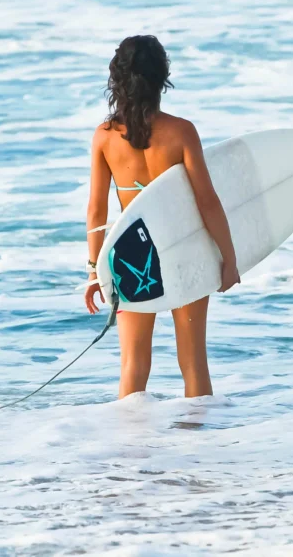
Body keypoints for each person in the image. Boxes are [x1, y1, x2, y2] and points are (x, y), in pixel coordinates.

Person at [84, 35, 240, 399]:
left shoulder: (104, 137)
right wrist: (228, 258)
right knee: (194, 363)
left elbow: (96, 210)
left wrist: (95, 271)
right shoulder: (181, 132)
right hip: (183, 248)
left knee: (133, 365)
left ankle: (130, 449)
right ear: (161, 79)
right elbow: (207, 202)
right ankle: (198, 447)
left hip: (131, 257)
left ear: (117, 80)